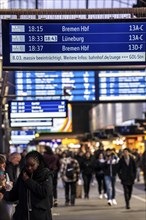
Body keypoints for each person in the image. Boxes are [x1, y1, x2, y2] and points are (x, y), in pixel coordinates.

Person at [3, 151, 53, 220]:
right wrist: (5, 191)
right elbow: (14, 194)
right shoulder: (23, 174)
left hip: (40, 215)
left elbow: (44, 192)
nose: (29, 168)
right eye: (27, 165)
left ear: (38, 163)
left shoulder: (46, 174)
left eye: (32, 165)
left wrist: (28, 181)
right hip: (23, 215)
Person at [0, 155, 11, 220]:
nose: (3, 169)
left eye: (4, 166)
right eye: (0, 166)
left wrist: (5, 185)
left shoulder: (3, 173)